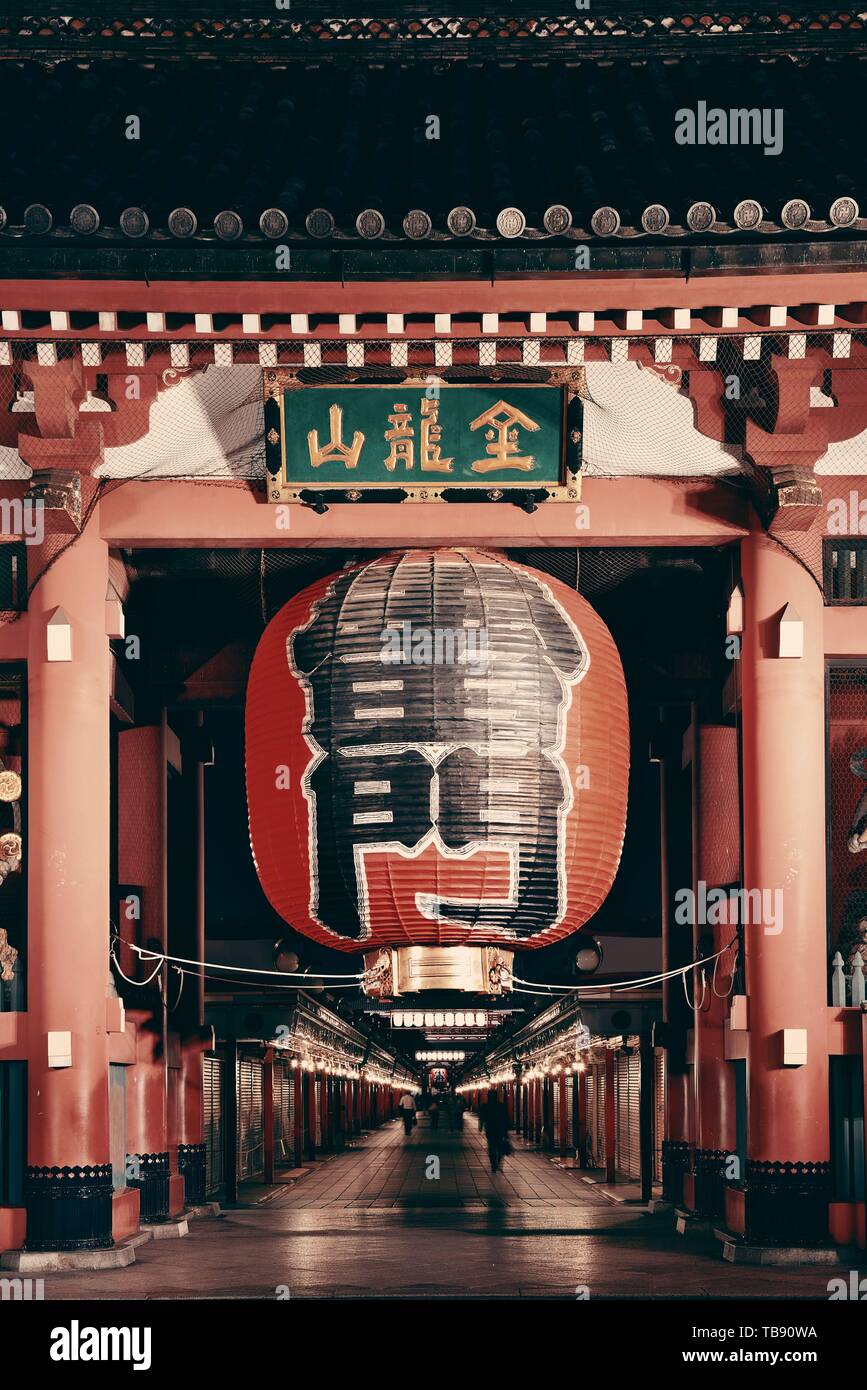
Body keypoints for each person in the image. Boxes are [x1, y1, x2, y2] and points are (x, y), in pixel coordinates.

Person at [479, 1090, 510, 1173]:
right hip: (500, 1129)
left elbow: (482, 1117)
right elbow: (506, 1118)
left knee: (491, 1147)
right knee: (499, 1147)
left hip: (490, 1129)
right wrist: (506, 1131)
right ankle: (498, 1162)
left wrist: (481, 1127)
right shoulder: (501, 1106)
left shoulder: (485, 1106)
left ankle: (493, 1164)